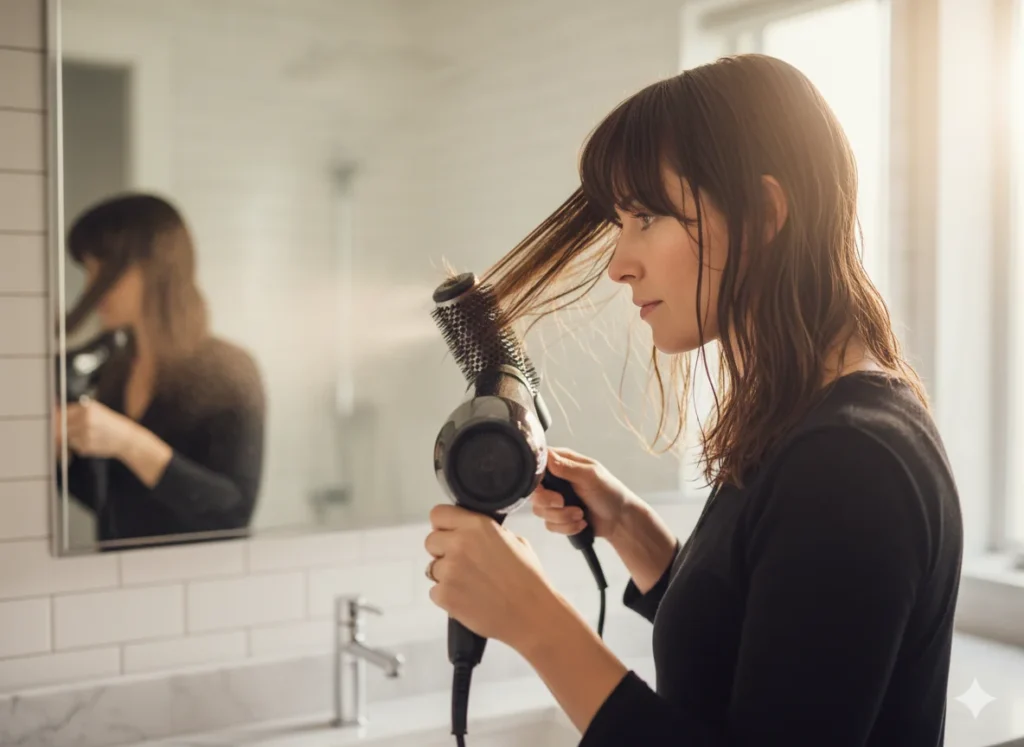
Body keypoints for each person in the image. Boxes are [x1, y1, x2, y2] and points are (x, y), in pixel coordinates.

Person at [422, 54, 963, 746]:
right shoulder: (815, 423)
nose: (619, 262)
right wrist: (631, 529)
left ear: (765, 213)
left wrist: (535, 619)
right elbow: (765, 651)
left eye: (646, 216)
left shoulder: (848, 464)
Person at [56, 193, 265, 546]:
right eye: (88, 270)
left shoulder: (230, 370)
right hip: (122, 583)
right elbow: (114, 505)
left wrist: (128, 441)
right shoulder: (115, 369)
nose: (91, 286)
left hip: (202, 585)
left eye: (101, 268)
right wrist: (62, 453)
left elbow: (232, 512)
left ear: (153, 266)